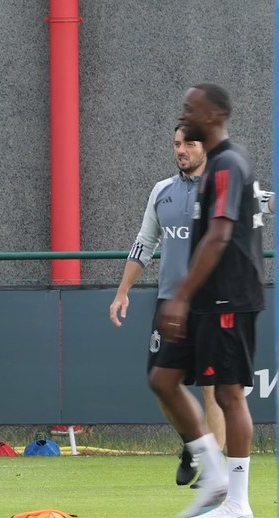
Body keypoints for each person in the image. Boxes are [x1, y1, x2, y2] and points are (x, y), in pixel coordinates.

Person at [151, 83, 264, 518]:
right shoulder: (215, 165)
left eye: (191, 107)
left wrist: (180, 294)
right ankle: (215, 476)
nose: (184, 111)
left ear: (214, 115)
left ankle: (237, 502)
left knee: (230, 396)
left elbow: (219, 236)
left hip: (227, 296)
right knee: (163, 378)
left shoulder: (227, 164)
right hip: (203, 298)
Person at [110, 125, 223, 487]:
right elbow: (144, 241)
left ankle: (215, 474)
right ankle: (192, 442)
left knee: (213, 387)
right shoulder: (161, 191)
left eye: (189, 143)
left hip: (208, 303)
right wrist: (122, 291)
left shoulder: (222, 188)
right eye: (176, 144)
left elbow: (263, 203)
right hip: (169, 303)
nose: (181, 150)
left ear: (204, 146)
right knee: (161, 383)